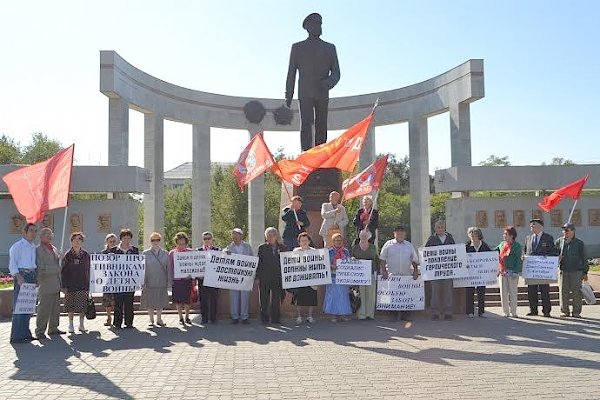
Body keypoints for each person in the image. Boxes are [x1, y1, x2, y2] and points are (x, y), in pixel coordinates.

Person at [285, 12, 341, 151]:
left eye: (320, 24)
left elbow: (336, 72)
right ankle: (306, 154)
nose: (320, 27)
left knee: (321, 124)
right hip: (305, 92)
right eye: (316, 24)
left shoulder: (330, 48)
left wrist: (328, 83)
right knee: (306, 124)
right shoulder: (297, 48)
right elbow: (291, 72)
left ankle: (320, 154)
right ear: (308, 27)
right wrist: (289, 94)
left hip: (322, 92)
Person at [379, 226, 419, 321]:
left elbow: (414, 259)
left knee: (405, 295)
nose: (400, 234)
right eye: (398, 233)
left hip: (406, 275)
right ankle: (392, 315)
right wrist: (384, 271)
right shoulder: (388, 244)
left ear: (405, 234)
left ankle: (405, 315)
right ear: (394, 234)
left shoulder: (409, 245)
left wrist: (416, 270)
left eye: (402, 233)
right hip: (392, 275)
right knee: (392, 295)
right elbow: (382, 258)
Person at [9, 223, 38, 343]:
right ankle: (16, 336)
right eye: (31, 230)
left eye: (35, 231)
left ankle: (26, 333)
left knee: (28, 307)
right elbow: (12, 263)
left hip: (31, 275)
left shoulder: (33, 247)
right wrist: (18, 276)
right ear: (24, 232)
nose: (33, 233)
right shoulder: (17, 246)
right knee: (19, 307)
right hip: (22, 276)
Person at [35, 227, 65, 338]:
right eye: (46, 234)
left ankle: (53, 328)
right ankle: (40, 331)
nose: (49, 235)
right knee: (44, 309)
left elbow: (58, 264)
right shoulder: (38, 250)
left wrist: (61, 258)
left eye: (50, 233)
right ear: (41, 236)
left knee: (55, 309)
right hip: (45, 283)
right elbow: (41, 267)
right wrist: (57, 268)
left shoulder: (54, 248)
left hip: (56, 284)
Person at [524, 218, 556, 317]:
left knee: (544, 291)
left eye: (533, 225)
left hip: (543, 270)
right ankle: (533, 310)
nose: (531, 227)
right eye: (531, 225)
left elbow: (553, 252)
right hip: (532, 270)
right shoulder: (528, 238)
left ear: (540, 226)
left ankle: (546, 311)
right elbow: (526, 251)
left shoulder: (548, 238)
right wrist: (524, 257)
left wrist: (547, 258)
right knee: (531, 291)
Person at [555, 223, 587, 318]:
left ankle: (576, 312)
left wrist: (585, 272)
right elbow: (553, 254)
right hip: (563, 270)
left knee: (576, 292)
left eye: (567, 230)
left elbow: (584, 258)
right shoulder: (559, 242)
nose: (565, 232)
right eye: (564, 230)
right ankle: (565, 311)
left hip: (576, 271)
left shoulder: (579, 243)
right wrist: (557, 258)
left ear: (573, 231)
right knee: (563, 291)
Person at [425, 220, 456, 320]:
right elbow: (426, 253)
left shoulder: (450, 238)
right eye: (438, 227)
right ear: (435, 228)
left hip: (448, 269)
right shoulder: (431, 239)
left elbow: (455, 251)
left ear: (444, 228)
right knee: (435, 291)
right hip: (435, 271)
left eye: (442, 227)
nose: (440, 229)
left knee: (448, 291)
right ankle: (435, 312)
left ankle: (448, 312)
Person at [61, 232, 91, 333]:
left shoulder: (85, 254)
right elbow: (64, 271)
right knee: (71, 306)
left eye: (79, 239)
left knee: (82, 306)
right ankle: (70, 325)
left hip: (83, 283)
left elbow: (88, 269)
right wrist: (63, 286)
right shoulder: (68, 255)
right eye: (75, 239)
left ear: (82, 242)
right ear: (71, 241)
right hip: (71, 284)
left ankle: (81, 324)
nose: (77, 241)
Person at [256, 227, 287, 324]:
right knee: (264, 299)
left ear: (276, 236)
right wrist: (257, 277)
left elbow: (287, 263)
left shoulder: (283, 248)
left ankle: (275, 318)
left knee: (276, 299)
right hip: (264, 277)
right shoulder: (262, 248)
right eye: (267, 236)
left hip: (278, 277)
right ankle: (264, 318)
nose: (269, 238)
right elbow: (258, 263)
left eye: (271, 235)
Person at [224, 228, 254, 324]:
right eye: (233, 236)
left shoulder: (247, 247)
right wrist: (225, 254)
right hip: (233, 276)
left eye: (236, 236)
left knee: (244, 296)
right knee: (234, 296)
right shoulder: (229, 247)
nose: (234, 238)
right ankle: (235, 317)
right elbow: (222, 256)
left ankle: (244, 317)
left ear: (241, 236)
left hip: (245, 276)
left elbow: (252, 259)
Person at [141, 232, 171, 327]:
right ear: (150, 241)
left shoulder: (165, 253)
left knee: (160, 300)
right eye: (153, 240)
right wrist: (142, 281)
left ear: (160, 241)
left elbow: (168, 268)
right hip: (149, 280)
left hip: (161, 280)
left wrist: (169, 281)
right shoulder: (145, 253)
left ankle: (159, 319)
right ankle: (151, 320)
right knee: (149, 301)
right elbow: (142, 269)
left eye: (157, 240)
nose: (155, 242)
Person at [112, 229, 139, 329]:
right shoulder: (113, 250)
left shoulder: (135, 250)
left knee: (129, 303)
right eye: (124, 238)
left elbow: (138, 265)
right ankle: (117, 323)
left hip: (130, 281)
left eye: (128, 238)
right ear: (121, 239)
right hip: (117, 282)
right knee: (118, 302)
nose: (126, 240)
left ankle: (129, 323)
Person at [323, 233, 352, 322]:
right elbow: (325, 263)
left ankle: (343, 314)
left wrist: (352, 260)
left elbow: (349, 261)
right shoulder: (329, 251)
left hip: (343, 277)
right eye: (336, 240)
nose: (338, 242)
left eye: (340, 240)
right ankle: (333, 315)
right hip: (333, 276)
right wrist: (332, 266)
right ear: (333, 241)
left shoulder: (346, 251)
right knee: (333, 296)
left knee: (343, 296)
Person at [495, 226, 523, 318]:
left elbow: (519, 260)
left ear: (511, 236)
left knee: (513, 292)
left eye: (506, 234)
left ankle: (514, 312)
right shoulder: (502, 244)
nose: (504, 235)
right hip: (502, 272)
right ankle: (505, 312)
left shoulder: (517, 246)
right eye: (504, 234)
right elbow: (493, 252)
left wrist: (516, 271)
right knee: (503, 293)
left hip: (512, 273)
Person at [352, 229, 380, 320]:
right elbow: (351, 258)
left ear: (368, 237)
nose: (363, 237)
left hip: (371, 272)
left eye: (365, 236)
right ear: (359, 236)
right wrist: (352, 259)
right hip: (359, 274)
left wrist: (378, 272)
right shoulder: (355, 247)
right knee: (361, 294)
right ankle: (361, 314)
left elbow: (376, 259)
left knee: (370, 294)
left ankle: (370, 314)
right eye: (362, 235)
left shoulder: (373, 247)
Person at [292, 232, 318, 324]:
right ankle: (299, 316)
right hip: (299, 278)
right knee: (298, 298)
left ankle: (309, 316)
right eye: (302, 241)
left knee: (311, 298)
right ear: (299, 242)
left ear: (309, 241)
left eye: (306, 240)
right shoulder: (295, 251)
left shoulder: (314, 251)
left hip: (311, 279)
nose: (304, 242)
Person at [465, 227, 492, 318]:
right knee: (469, 292)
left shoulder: (484, 246)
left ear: (478, 235)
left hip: (481, 274)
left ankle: (481, 312)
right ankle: (470, 311)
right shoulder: (466, 246)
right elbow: (463, 258)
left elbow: (491, 258)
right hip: (470, 274)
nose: (472, 235)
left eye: (474, 234)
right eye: (470, 234)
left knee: (481, 292)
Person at [169, 232, 194, 325]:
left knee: (187, 300)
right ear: (176, 243)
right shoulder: (172, 253)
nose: (181, 246)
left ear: (186, 243)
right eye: (179, 244)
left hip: (187, 280)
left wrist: (192, 275)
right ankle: (180, 318)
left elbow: (194, 266)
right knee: (178, 301)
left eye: (183, 244)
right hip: (177, 280)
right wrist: (171, 279)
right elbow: (170, 267)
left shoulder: (191, 252)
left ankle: (187, 317)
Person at [197, 231, 220, 324]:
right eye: (205, 239)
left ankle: (213, 318)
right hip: (202, 279)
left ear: (212, 239)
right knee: (203, 300)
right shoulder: (198, 251)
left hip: (214, 280)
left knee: (214, 299)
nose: (207, 240)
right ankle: (204, 318)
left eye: (208, 238)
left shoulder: (218, 250)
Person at [101, 233, 118, 327]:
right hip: (107, 280)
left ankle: (116, 317)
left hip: (117, 280)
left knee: (116, 300)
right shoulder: (103, 253)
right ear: (107, 242)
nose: (112, 243)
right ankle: (108, 317)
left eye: (113, 241)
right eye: (110, 241)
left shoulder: (119, 252)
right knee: (107, 301)